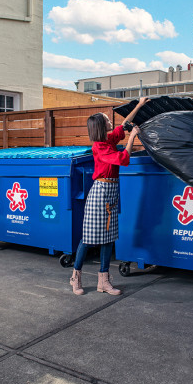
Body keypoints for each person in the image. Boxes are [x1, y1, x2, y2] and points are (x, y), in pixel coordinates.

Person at [70, 97, 150, 295]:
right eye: (106, 119)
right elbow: (123, 159)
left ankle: (103, 282)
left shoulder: (109, 139)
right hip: (100, 192)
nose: (110, 120)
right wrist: (132, 137)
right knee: (88, 238)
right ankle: (75, 277)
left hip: (112, 191)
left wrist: (139, 105)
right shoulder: (99, 146)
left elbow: (124, 125)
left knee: (108, 238)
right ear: (100, 125)